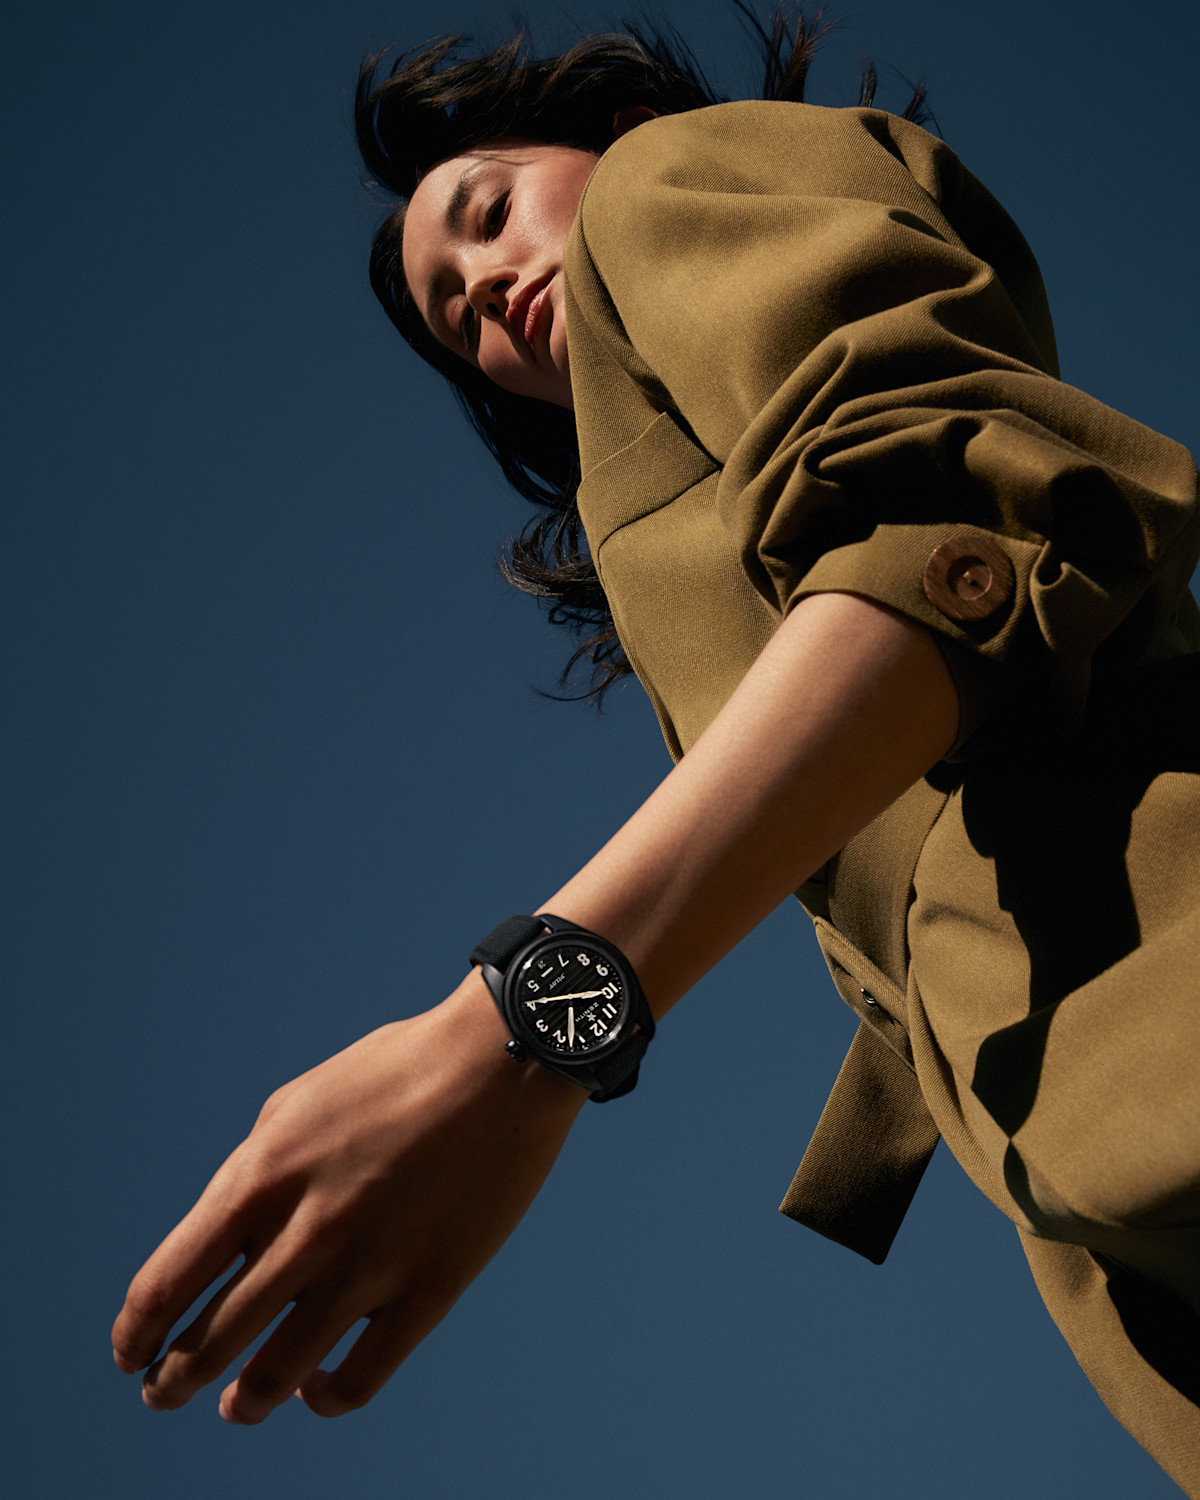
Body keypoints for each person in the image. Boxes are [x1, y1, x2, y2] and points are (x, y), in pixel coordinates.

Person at [111, 11, 1200, 1490]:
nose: (492, 287)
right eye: (458, 318)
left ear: (601, 131)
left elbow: (969, 533)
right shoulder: (693, 554)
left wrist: (513, 1036)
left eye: (488, 212)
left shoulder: (661, 184)